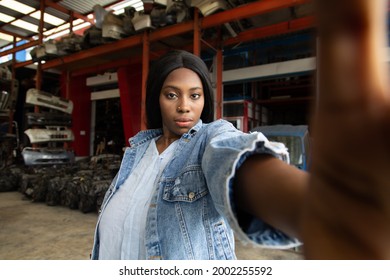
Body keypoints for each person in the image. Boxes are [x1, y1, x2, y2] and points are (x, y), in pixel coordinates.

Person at [91, 0, 390, 260]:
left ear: (205, 100)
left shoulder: (210, 138)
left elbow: (234, 161)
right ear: (156, 98)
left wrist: (321, 213)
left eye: (195, 95)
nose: (184, 106)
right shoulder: (137, 150)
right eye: (172, 95)